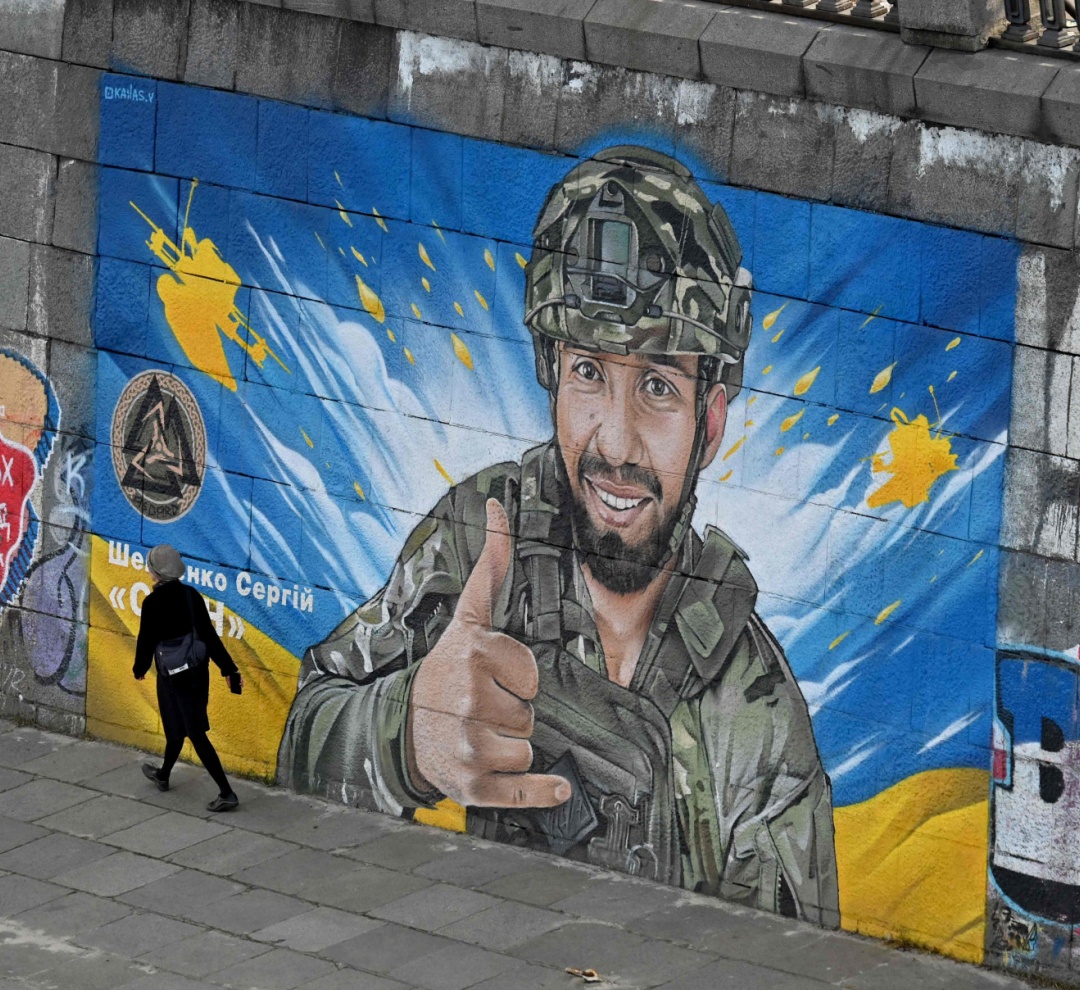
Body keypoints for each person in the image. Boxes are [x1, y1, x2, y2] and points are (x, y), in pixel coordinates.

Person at [278, 147, 839, 926]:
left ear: (709, 423)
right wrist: (406, 735)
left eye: (657, 386)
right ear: (551, 373)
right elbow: (303, 740)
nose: (615, 441)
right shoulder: (479, 541)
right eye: (588, 373)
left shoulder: (753, 704)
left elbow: (786, 966)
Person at [134, 543, 241, 811]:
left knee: (193, 732)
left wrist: (139, 669)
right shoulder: (191, 595)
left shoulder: (152, 603)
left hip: (171, 677)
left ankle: (227, 793)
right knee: (175, 727)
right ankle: (163, 775)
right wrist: (228, 669)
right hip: (197, 673)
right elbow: (209, 636)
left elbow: (146, 641)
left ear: (156, 571)